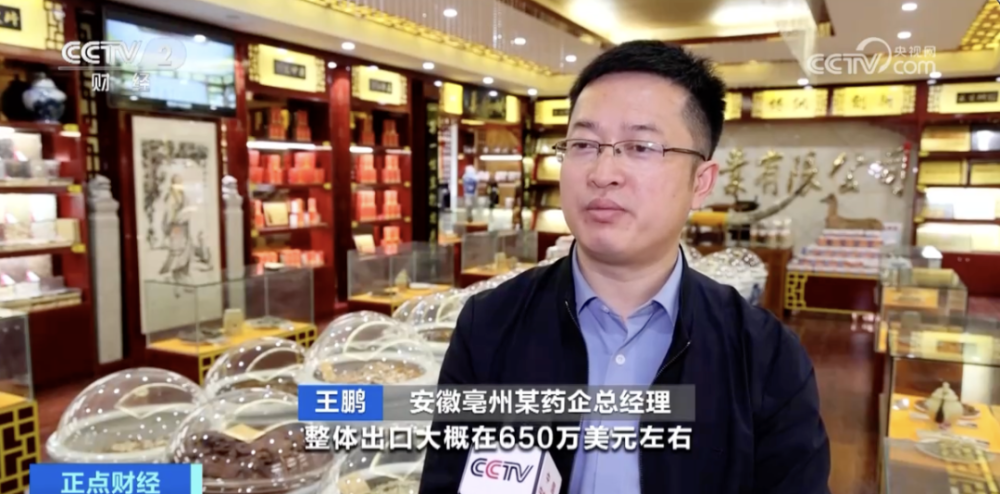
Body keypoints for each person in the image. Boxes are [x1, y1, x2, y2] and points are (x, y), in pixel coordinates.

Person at [418, 40, 831, 494]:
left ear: (701, 182)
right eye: (583, 144)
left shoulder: (765, 357)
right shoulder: (489, 324)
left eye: (640, 146)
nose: (603, 172)